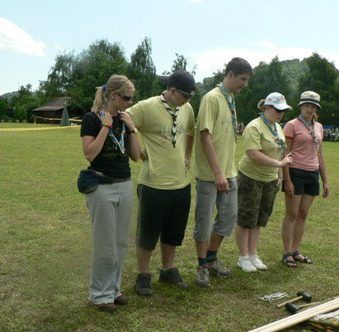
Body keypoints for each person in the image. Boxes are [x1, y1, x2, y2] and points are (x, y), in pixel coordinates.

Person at [126, 70, 196, 296]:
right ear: (172, 90)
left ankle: (167, 269)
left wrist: (187, 155)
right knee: (147, 233)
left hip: (181, 184)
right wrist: (140, 153)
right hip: (153, 184)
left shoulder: (187, 108)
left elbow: (191, 132)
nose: (188, 100)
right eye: (186, 95)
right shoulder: (146, 107)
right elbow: (124, 122)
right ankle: (143, 275)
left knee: (174, 232)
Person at [80, 75, 141, 312]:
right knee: (105, 243)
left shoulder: (125, 119)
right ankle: (99, 294)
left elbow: (135, 156)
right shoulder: (91, 119)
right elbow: (90, 154)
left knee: (120, 242)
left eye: (132, 99)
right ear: (113, 96)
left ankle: (113, 290)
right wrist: (106, 125)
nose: (129, 102)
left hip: (124, 183)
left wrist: (132, 128)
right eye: (126, 98)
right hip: (102, 186)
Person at [193, 57, 252, 286]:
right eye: (242, 79)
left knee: (228, 218)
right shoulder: (212, 98)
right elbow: (205, 135)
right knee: (204, 222)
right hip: (211, 174)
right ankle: (201, 267)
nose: (244, 84)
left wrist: (226, 171)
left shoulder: (230, 98)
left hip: (229, 171)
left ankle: (210, 259)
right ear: (229, 74)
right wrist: (217, 173)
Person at [235, 93, 293, 272]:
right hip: (250, 178)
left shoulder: (277, 127)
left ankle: (253, 254)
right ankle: (243, 257)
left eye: (283, 111)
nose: (281, 114)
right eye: (278, 110)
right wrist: (278, 164)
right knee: (246, 218)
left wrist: (281, 176)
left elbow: (281, 152)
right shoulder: (254, 127)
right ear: (266, 108)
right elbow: (253, 153)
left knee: (260, 219)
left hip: (270, 180)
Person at [281, 91, 329, 267]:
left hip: (312, 173)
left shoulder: (319, 127)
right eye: (307, 105)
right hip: (295, 172)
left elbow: (320, 155)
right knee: (292, 214)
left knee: (303, 214)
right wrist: (287, 180)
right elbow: (285, 153)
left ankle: (296, 250)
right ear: (300, 106)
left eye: (313, 106)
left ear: (317, 109)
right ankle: (287, 253)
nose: (310, 109)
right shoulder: (291, 125)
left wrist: (325, 180)